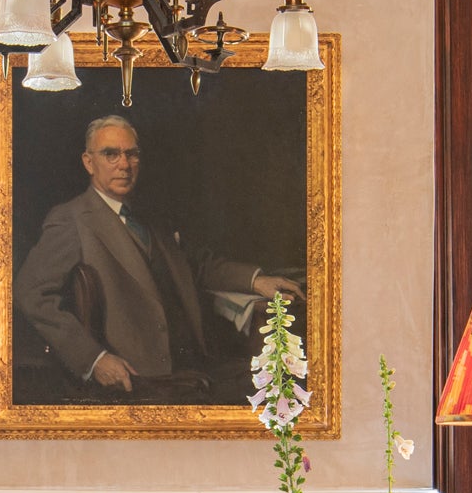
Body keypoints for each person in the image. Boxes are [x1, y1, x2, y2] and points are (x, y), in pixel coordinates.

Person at [16, 114, 302, 401]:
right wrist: (94, 359)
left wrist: (256, 281)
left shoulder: (150, 216)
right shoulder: (72, 219)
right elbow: (30, 293)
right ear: (89, 162)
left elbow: (197, 265)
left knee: (285, 379)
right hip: (142, 379)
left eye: (132, 154)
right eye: (110, 154)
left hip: (198, 363)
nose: (124, 165)